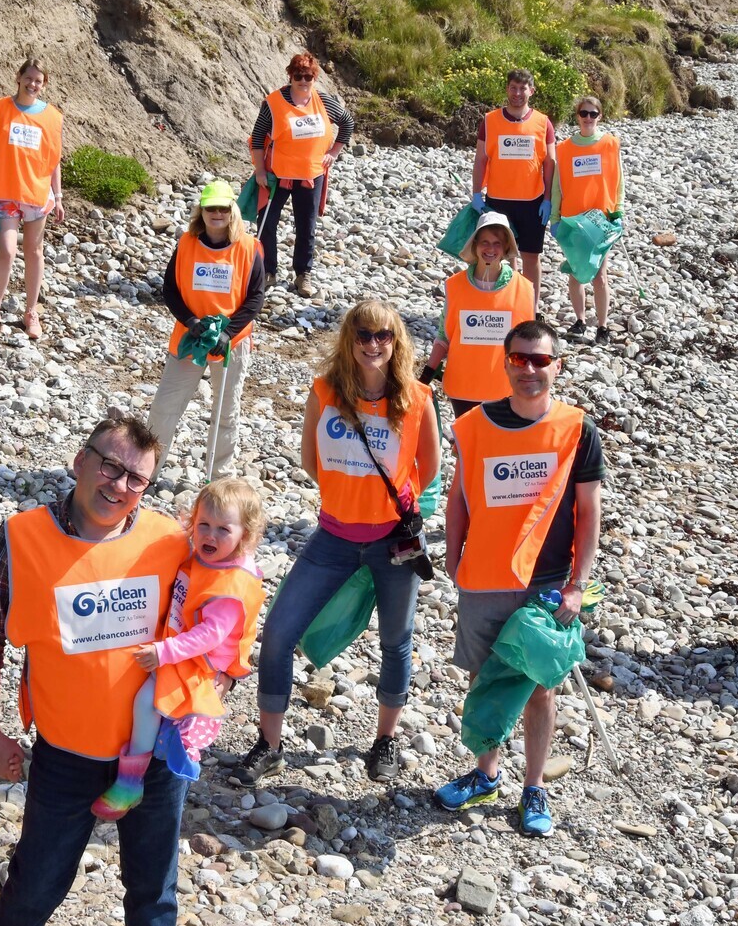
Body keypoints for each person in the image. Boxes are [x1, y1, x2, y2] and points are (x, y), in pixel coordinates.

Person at [0, 416, 193, 926]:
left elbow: (224, 607)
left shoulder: (171, 541)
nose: (120, 485)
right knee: (36, 877)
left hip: (154, 754)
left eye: (137, 477)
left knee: (153, 888)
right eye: (110, 466)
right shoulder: (20, 537)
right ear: (80, 461)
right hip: (65, 753)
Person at [233, 301, 439, 787]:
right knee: (278, 633)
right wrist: (350, 492)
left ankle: (385, 740)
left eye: (383, 335)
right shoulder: (325, 391)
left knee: (396, 641)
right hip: (333, 537)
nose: (373, 344)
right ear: (349, 340)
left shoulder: (416, 398)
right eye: (363, 335)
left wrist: (387, 500)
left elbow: (429, 470)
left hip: (394, 541)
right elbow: (311, 461)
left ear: (396, 342)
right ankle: (269, 746)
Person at [433, 320, 603, 838]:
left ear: (557, 366)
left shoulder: (578, 429)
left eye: (540, 360)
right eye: (519, 358)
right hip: (483, 576)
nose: (529, 368)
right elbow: (459, 497)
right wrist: (454, 557)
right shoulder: (474, 425)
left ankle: (534, 785)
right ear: (505, 363)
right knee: (483, 678)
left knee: (539, 689)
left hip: (545, 582)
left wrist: (578, 585)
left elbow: (589, 512)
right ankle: (486, 774)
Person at [97, 478, 268, 819]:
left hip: (200, 663)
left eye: (223, 529)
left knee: (147, 700)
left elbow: (211, 635)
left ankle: (133, 779)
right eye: (203, 524)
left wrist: (164, 652)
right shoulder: (207, 558)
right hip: (185, 651)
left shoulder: (231, 584)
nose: (210, 536)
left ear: (245, 536)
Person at [145, 181, 267, 480]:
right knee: (164, 407)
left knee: (226, 412)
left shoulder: (249, 247)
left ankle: (219, 476)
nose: (217, 213)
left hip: (231, 342)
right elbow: (170, 290)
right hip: (190, 338)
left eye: (223, 208)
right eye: (211, 207)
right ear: (201, 210)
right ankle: (146, 471)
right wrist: (191, 322)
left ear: (232, 211)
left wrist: (229, 332)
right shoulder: (187, 243)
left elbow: (255, 297)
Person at [249, 53, 352, 299]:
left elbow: (347, 123)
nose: (303, 81)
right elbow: (257, 138)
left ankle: (303, 274)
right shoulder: (273, 103)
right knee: (267, 223)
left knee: (307, 226)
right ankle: (267, 271)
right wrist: (260, 170)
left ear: (314, 78)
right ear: (290, 76)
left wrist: (334, 153)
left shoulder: (324, 101)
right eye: (298, 76)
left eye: (308, 76)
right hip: (277, 174)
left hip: (311, 175)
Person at [0, 59, 64, 340]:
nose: (32, 84)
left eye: (38, 81)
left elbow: (54, 161)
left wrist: (58, 196)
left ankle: (31, 312)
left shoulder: (53, 116)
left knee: (34, 252)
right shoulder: (0, 108)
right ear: (19, 77)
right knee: (7, 250)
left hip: (37, 193)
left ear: (44, 84)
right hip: (4, 191)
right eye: (29, 78)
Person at [421, 212, 535, 418]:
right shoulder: (455, 286)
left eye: (497, 243)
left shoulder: (524, 288)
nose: (490, 249)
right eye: (485, 242)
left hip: (505, 392)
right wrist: (425, 377)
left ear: (506, 247)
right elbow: (444, 337)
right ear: (474, 245)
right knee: (466, 439)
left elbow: (530, 346)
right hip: (463, 389)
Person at [468, 68, 556, 303]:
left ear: (531, 91)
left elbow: (550, 162)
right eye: (513, 88)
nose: (517, 93)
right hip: (498, 201)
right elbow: (480, 159)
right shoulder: (490, 120)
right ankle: (506, 302)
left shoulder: (543, 122)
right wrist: (476, 194)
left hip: (532, 202)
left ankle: (531, 307)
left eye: (522, 88)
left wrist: (549, 199)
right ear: (507, 89)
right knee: (500, 255)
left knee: (531, 256)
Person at [551, 95, 623, 343]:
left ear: (599, 116)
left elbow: (619, 181)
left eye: (593, 114)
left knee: (600, 274)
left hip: (600, 219)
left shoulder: (610, 144)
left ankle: (602, 326)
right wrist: (554, 217)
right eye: (584, 113)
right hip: (573, 219)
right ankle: (580, 321)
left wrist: (619, 211)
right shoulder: (564, 149)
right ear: (577, 116)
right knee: (576, 272)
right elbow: (557, 185)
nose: (588, 118)